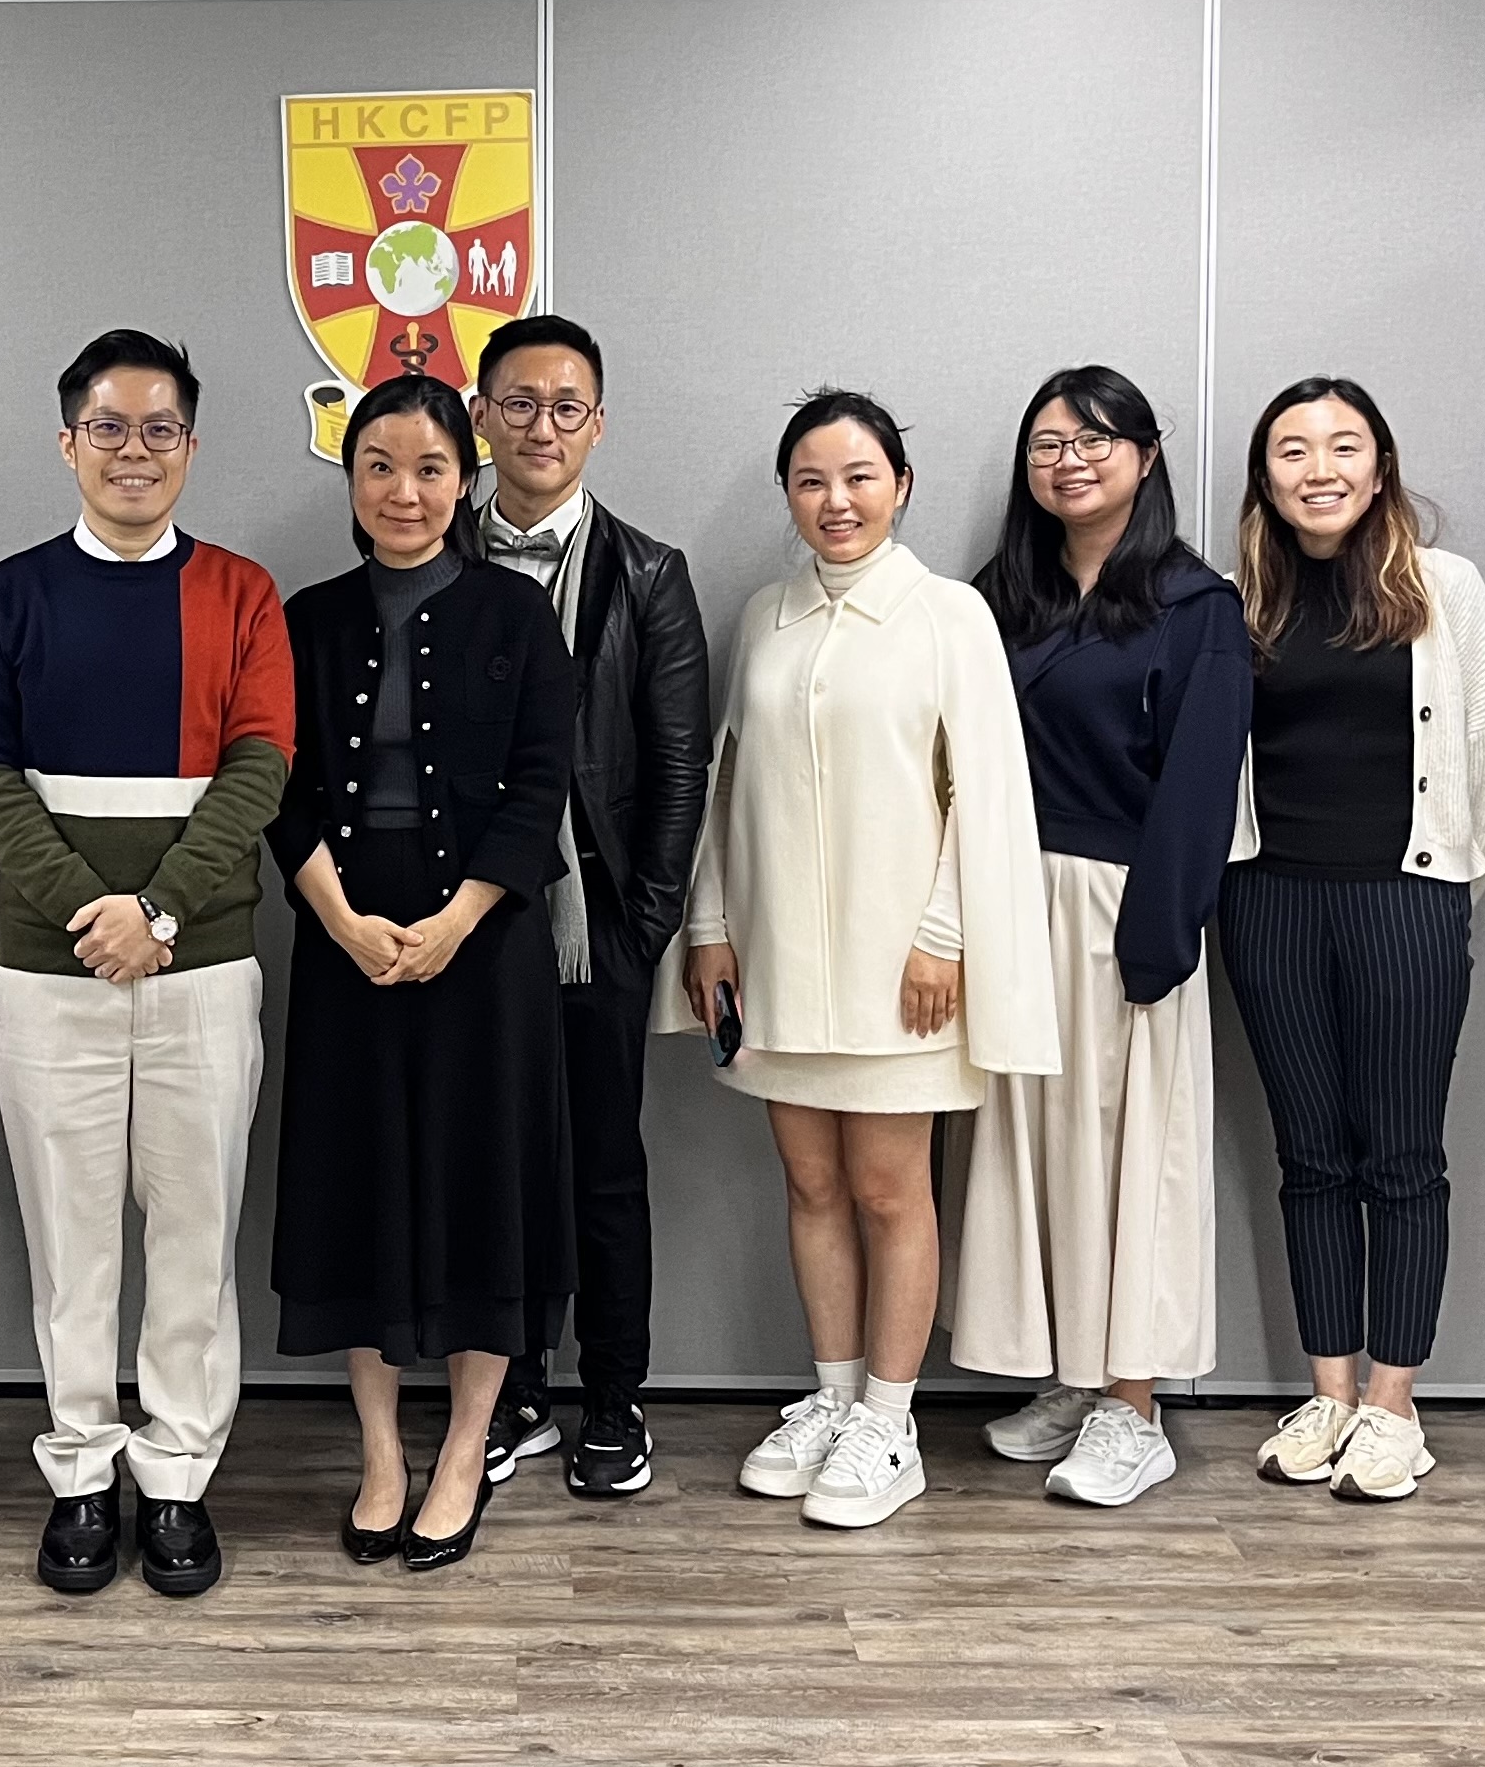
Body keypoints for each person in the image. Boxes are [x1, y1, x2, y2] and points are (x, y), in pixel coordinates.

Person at [0, 329, 294, 1600]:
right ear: (68, 443)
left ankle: (179, 1476)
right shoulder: (7, 599)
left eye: (159, 429)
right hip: (52, 977)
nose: (133, 450)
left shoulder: (242, 595)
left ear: (190, 447)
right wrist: (91, 916)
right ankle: (83, 1475)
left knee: (196, 1236)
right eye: (108, 427)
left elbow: (259, 768)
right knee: (71, 1239)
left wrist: (156, 910)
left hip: (200, 969)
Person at [674, 390, 1055, 1531]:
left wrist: (946, 934)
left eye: (858, 477)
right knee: (810, 1185)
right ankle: (833, 1397)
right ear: (787, 495)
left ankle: (892, 1421)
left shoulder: (947, 615)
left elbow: (985, 792)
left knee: (893, 1190)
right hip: (778, 961)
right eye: (810, 480)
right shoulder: (765, 616)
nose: (835, 501)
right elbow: (725, 788)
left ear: (900, 485)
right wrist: (710, 925)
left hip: (905, 969)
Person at [268, 372, 576, 1575]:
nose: (404, 491)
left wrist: (457, 919)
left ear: (466, 478)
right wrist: (342, 919)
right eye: (379, 466)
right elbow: (279, 787)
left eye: (431, 468)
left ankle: (461, 1450)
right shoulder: (307, 617)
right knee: (360, 1185)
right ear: (350, 479)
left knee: (481, 1184)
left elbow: (540, 784)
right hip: (343, 936)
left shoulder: (517, 612)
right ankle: (380, 1453)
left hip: (484, 946)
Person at [952, 364, 1252, 1507]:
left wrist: (1156, 936)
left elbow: (1199, 783)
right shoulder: (997, 600)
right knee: (1037, 1150)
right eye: (1047, 443)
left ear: (1145, 455)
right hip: (1007, 898)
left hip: (1123, 903)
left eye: (1093, 439)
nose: (1068, 460)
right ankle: (1076, 1379)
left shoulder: (1193, 605)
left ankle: (1135, 1405)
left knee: (1132, 1155)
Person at [1225, 378, 1485, 1505]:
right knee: (1309, 1157)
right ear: (1265, 477)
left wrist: (1446, 884)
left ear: (1380, 465)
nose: (1320, 469)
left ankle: (1395, 1408)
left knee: (1401, 1157)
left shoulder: (1445, 588)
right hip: (1268, 900)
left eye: (1343, 446)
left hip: (1406, 900)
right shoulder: (1237, 599)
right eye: (1293, 450)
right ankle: (1331, 1395)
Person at [466, 316, 708, 1501]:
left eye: (566, 407)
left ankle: (613, 1396)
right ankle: (510, 1390)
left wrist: (642, 926)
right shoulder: (432, 546)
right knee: (489, 1165)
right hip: (465, 919)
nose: (542, 427)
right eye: (518, 403)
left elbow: (678, 765)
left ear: (597, 424)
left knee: (602, 1169)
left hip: (595, 919)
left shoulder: (647, 572)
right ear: (480, 416)